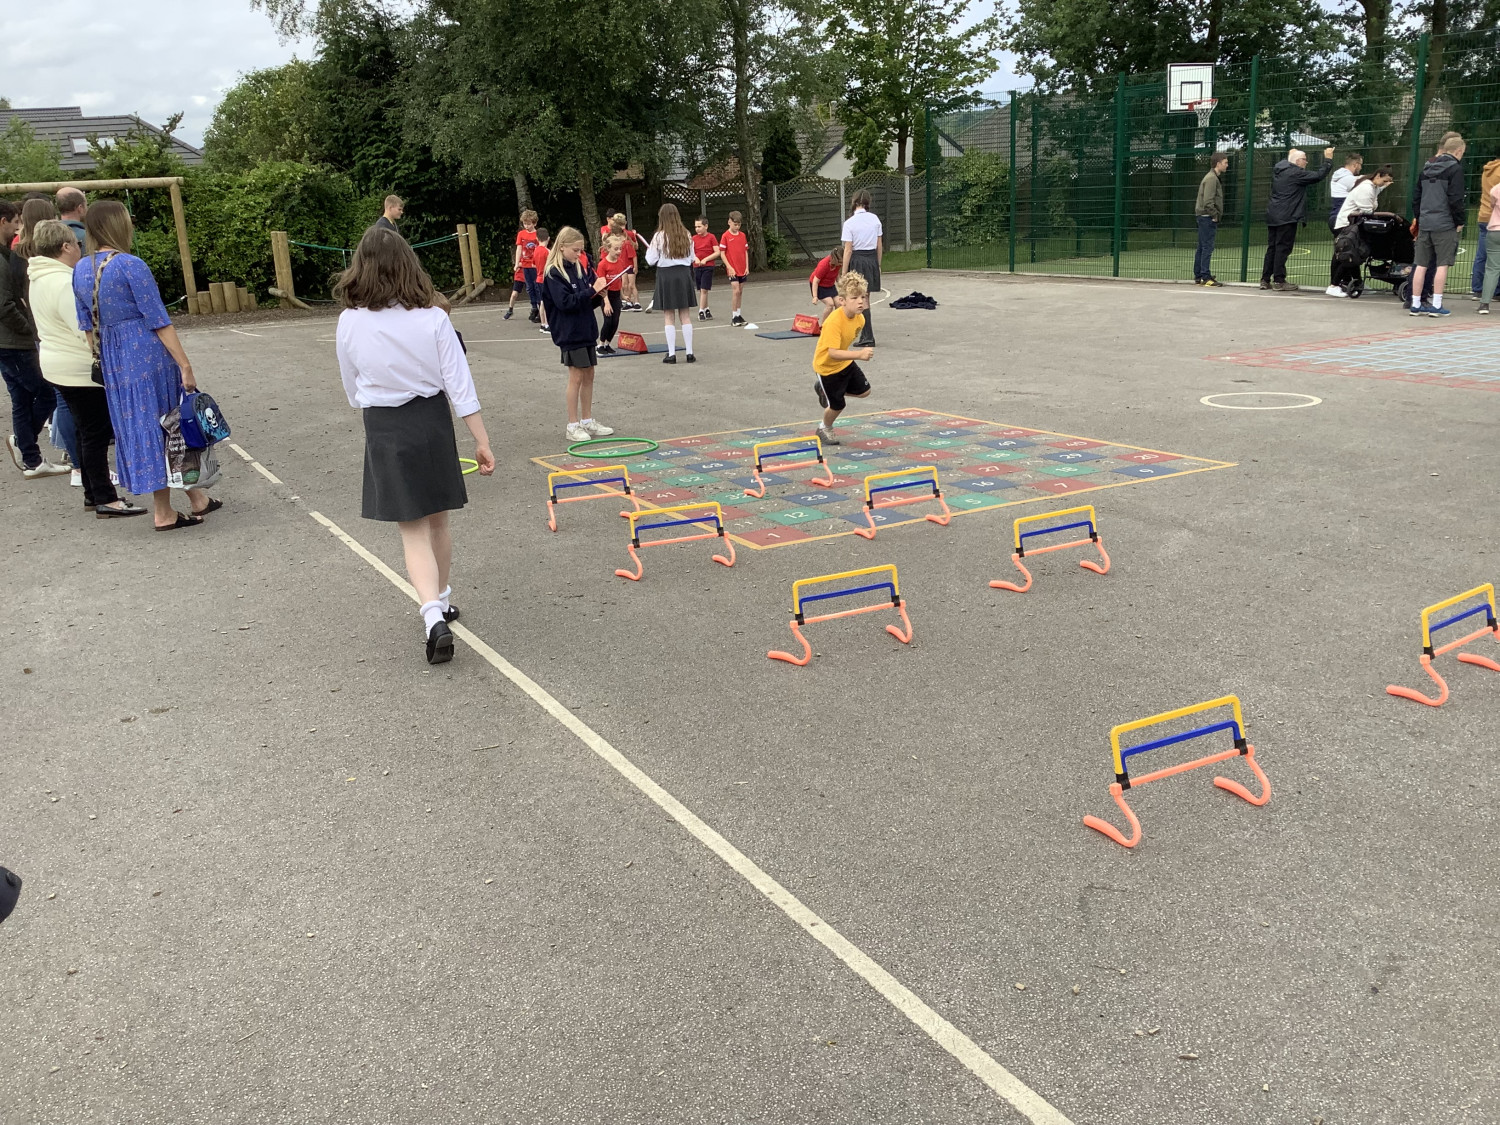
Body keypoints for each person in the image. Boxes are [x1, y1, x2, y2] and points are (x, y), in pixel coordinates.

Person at [335, 226, 494, 665]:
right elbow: (460, 386)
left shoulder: (350, 321)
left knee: (412, 529)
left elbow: (351, 388)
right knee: (438, 519)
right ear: (409, 265)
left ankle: (432, 616)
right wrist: (481, 441)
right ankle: (440, 600)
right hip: (431, 421)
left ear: (361, 268)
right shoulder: (434, 318)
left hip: (384, 424)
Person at [72, 200, 216, 529]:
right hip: (147, 355)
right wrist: (185, 364)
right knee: (163, 426)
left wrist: (107, 360)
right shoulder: (130, 265)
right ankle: (163, 512)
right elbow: (159, 320)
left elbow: (86, 326)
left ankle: (196, 497)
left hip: (114, 358)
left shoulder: (80, 268)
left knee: (139, 427)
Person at [28, 221, 143, 515]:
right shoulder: (62, 282)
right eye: (77, 244)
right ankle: (105, 496)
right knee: (96, 433)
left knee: (84, 431)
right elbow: (83, 328)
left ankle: (93, 493)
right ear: (65, 246)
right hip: (77, 367)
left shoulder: (39, 277)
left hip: (55, 363)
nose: (81, 248)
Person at [0, 201, 69, 479]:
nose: (17, 227)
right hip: (13, 342)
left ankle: (30, 458)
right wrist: (30, 329)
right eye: (14, 221)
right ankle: (25, 446)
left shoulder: (9, 254)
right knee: (47, 391)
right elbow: (5, 305)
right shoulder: (6, 258)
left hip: (11, 341)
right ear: (3, 222)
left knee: (22, 398)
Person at [541, 226, 615, 444]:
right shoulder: (553, 273)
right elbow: (565, 303)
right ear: (562, 247)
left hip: (585, 328)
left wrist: (598, 295)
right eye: (575, 250)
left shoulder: (578, 268)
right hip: (569, 332)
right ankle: (572, 425)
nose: (579, 254)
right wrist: (591, 291)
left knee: (589, 373)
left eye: (581, 250)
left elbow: (584, 301)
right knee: (576, 376)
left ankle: (587, 420)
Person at [811, 272, 875, 446]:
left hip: (844, 362)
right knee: (838, 405)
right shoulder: (834, 322)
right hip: (827, 367)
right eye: (854, 298)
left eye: (863, 297)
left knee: (865, 391)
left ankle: (826, 390)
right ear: (842, 300)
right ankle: (824, 428)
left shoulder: (860, 319)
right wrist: (859, 355)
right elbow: (832, 352)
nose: (860, 301)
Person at [1261, 146, 1336, 291]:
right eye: (1304, 160)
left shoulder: (1280, 169)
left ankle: (1265, 279)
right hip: (1287, 215)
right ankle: (1279, 280)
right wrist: (1328, 160)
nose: (1306, 162)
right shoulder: (1296, 173)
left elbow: (1288, 162)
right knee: (1282, 248)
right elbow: (1318, 175)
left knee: (1272, 248)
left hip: (1274, 214)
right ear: (1297, 161)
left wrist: (1291, 155)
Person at [1408, 133, 1466, 317]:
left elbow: (1416, 198)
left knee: (1421, 264)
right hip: (1445, 223)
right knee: (1442, 264)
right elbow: (1455, 199)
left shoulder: (1426, 168)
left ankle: (1415, 303)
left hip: (1426, 223)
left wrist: (1420, 218)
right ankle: (1437, 304)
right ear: (1458, 151)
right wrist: (1459, 221)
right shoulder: (1455, 169)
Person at [1329, 165, 1394, 296]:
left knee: (1350, 255)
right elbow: (1367, 210)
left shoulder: (1372, 187)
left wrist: (1382, 187)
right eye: (1384, 180)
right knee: (1349, 255)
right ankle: (1334, 285)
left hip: (1349, 224)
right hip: (1347, 224)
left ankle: (1356, 283)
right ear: (1378, 176)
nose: (1385, 184)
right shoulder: (1366, 188)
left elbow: (1372, 202)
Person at [645, 204, 697, 364]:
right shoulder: (686, 234)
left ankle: (672, 354)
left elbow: (650, 260)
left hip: (666, 276)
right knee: (685, 315)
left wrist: (651, 252)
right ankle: (689, 353)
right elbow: (692, 258)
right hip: (683, 275)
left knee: (669, 315)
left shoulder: (659, 236)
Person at [840, 190, 883, 346]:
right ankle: (866, 335)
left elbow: (848, 250)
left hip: (858, 260)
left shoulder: (849, 223)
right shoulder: (875, 219)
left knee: (859, 299)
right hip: (871, 259)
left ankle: (867, 336)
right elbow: (879, 245)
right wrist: (878, 265)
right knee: (865, 298)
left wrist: (844, 272)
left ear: (854, 202)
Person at [1193, 152, 1229, 286]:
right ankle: (1205, 276)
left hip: (1204, 216)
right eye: (1225, 163)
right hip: (1207, 217)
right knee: (1207, 247)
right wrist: (1215, 215)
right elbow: (1208, 201)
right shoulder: (1211, 179)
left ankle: (1199, 275)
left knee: (1202, 246)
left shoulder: (1212, 177)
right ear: (1218, 164)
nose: (1227, 165)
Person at [595, 234, 632, 355]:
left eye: (620, 249)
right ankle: (600, 345)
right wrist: (606, 303)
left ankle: (607, 344)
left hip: (616, 295)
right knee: (608, 321)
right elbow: (602, 285)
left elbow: (618, 280)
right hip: (606, 295)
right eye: (616, 249)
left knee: (615, 321)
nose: (619, 251)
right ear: (608, 249)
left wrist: (622, 296)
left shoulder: (620, 262)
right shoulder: (603, 265)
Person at [1471, 155, 1499, 301]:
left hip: (1484, 215)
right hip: (1496, 217)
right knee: (1496, 259)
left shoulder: (1488, 169)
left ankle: (1477, 289)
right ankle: (1496, 290)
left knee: (1482, 255)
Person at [506, 209, 540, 321]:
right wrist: (517, 263)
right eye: (525, 224)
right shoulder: (521, 234)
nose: (526, 226)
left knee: (537, 286)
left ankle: (540, 306)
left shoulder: (537, 234)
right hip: (525, 265)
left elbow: (540, 249)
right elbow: (519, 249)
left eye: (529, 224)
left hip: (535, 265)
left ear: (534, 223)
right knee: (529, 288)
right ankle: (534, 306)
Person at [720, 211, 750, 326]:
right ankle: (734, 317)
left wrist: (747, 266)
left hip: (742, 268)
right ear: (729, 222)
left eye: (739, 225)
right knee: (736, 290)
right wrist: (729, 267)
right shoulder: (725, 236)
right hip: (732, 269)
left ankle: (738, 314)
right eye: (735, 224)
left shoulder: (742, 236)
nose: (737, 227)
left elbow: (745, 251)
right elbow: (722, 253)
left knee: (740, 291)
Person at [691, 216, 721, 319]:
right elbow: (690, 252)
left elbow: (717, 252)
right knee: (702, 290)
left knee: (704, 289)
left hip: (708, 267)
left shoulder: (711, 237)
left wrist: (706, 259)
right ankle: (707, 309)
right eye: (696, 227)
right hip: (697, 267)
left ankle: (701, 311)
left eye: (699, 226)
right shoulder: (693, 239)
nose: (697, 229)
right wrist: (696, 258)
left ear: (706, 226)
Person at [1329, 153, 1363, 230]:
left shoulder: (1340, 175)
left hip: (1336, 216)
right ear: (1356, 165)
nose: (1361, 167)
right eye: (1360, 165)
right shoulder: (1347, 179)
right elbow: (1363, 188)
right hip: (1344, 219)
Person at [529, 228, 551, 333]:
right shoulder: (547, 251)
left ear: (537, 239)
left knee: (542, 301)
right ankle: (546, 324)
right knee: (546, 302)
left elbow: (533, 264)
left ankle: (543, 323)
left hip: (538, 278)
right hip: (545, 279)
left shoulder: (536, 250)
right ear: (548, 239)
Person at [809, 246, 842, 311]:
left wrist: (842, 286)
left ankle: (836, 317)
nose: (841, 264)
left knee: (839, 303)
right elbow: (815, 281)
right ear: (835, 259)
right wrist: (815, 296)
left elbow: (836, 274)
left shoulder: (838, 263)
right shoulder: (823, 265)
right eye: (840, 262)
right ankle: (826, 318)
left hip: (830, 285)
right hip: (819, 285)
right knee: (830, 304)